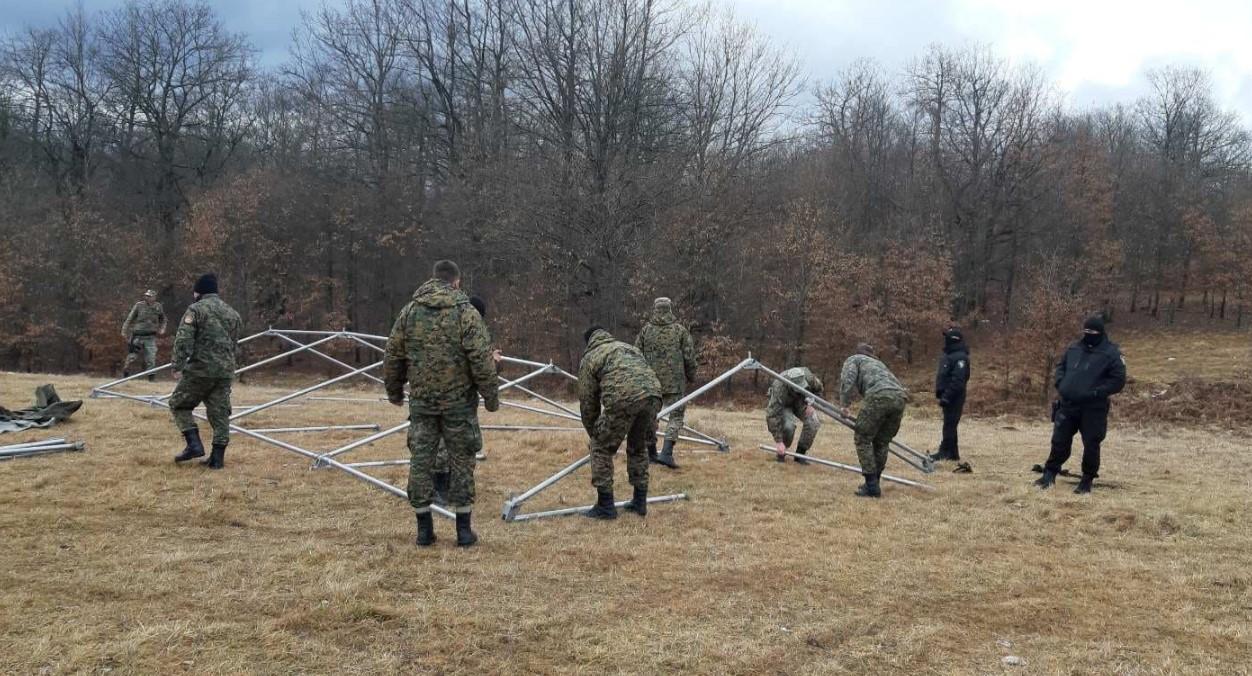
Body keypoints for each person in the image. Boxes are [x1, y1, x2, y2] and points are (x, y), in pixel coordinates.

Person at [384, 261, 498, 547]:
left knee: (421, 461)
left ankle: (424, 530)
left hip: (422, 403)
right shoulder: (466, 313)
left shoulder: (409, 312)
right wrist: (491, 397)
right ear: (456, 282)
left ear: (433, 278)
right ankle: (463, 531)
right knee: (462, 461)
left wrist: (395, 392)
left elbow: (393, 356)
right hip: (459, 404)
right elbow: (481, 360)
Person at [1035, 314, 1127, 494]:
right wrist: (1060, 383)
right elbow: (1060, 367)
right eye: (1086, 331)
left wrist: (1097, 392)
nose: (1088, 335)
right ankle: (1050, 473)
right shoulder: (1074, 348)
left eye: (1092, 332)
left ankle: (1087, 480)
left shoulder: (1112, 353)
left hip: (1093, 407)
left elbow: (1118, 380)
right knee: (1059, 440)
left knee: (1091, 443)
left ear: (1100, 333)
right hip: (1068, 403)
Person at [578, 326, 662, 519]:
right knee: (638, 446)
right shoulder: (629, 348)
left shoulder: (591, 357)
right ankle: (640, 502)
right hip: (653, 396)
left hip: (624, 399)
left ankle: (605, 506)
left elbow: (588, 402)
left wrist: (595, 434)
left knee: (600, 447)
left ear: (589, 341)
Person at [170, 274, 243, 470]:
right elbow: (235, 344)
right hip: (225, 371)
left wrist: (177, 365)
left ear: (199, 292)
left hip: (200, 370)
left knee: (179, 404)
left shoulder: (195, 310)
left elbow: (183, 340)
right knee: (220, 414)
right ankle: (217, 459)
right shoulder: (233, 313)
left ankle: (194, 445)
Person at [432, 295, 491, 504]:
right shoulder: (470, 329)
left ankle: (440, 487)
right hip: (455, 399)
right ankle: (441, 488)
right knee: (453, 444)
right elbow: (478, 366)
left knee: (439, 441)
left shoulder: (441, 324)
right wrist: (494, 364)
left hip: (431, 394)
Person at [838, 344, 909, 498]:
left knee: (863, 438)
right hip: (900, 398)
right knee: (882, 442)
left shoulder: (855, 359)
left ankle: (871, 485)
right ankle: (874, 483)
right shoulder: (879, 364)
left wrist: (844, 404)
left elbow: (847, 379)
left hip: (878, 395)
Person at [635, 296, 697, 469]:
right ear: (670, 309)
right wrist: (691, 375)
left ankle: (652, 453)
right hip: (674, 383)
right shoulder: (679, 331)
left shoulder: (645, 331)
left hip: (650, 382)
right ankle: (667, 453)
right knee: (675, 416)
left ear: (655, 309)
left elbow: (635, 355)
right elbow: (689, 356)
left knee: (649, 416)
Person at [767, 367, 824, 465]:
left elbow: (819, 390)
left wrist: (811, 404)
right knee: (789, 427)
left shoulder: (809, 377)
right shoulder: (779, 386)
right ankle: (781, 452)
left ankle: (800, 454)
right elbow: (772, 415)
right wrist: (778, 441)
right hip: (784, 405)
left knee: (813, 422)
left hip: (801, 401)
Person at [930, 327, 970, 462]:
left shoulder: (960, 358)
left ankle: (946, 452)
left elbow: (958, 380)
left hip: (954, 397)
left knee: (950, 425)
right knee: (949, 424)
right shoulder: (951, 356)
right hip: (948, 396)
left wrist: (947, 396)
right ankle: (952, 453)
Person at [122, 289, 167, 380]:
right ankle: (126, 373)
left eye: (149, 296)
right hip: (138, 335)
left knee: (151, 358)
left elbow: (163, 319)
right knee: (132, 356)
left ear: (154, 297)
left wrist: (162, 329)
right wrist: (124, 330)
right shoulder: (139, 305)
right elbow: (129, 319)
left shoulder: (158, 307)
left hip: (150, 337)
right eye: (146, 296)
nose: (147, 297)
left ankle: (151, 378)